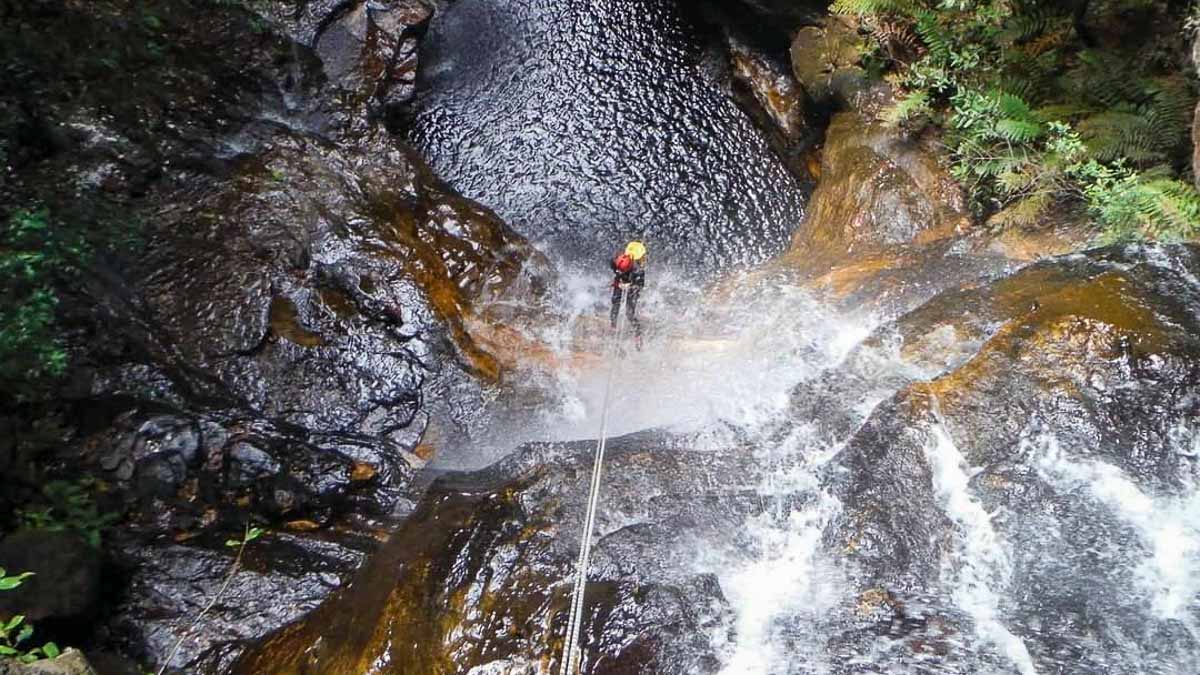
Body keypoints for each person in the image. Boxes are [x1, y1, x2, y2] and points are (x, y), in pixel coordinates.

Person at [609, 240, 646, 346]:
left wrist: (630, 286)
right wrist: (619, 281)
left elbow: (640, 286)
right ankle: (613, 327)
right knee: (615, 304)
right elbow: (614, 269)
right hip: (620, 282)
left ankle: (638, 335)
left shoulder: (638, 270)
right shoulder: (615, 261)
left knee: (629, 313)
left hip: (634, 286)